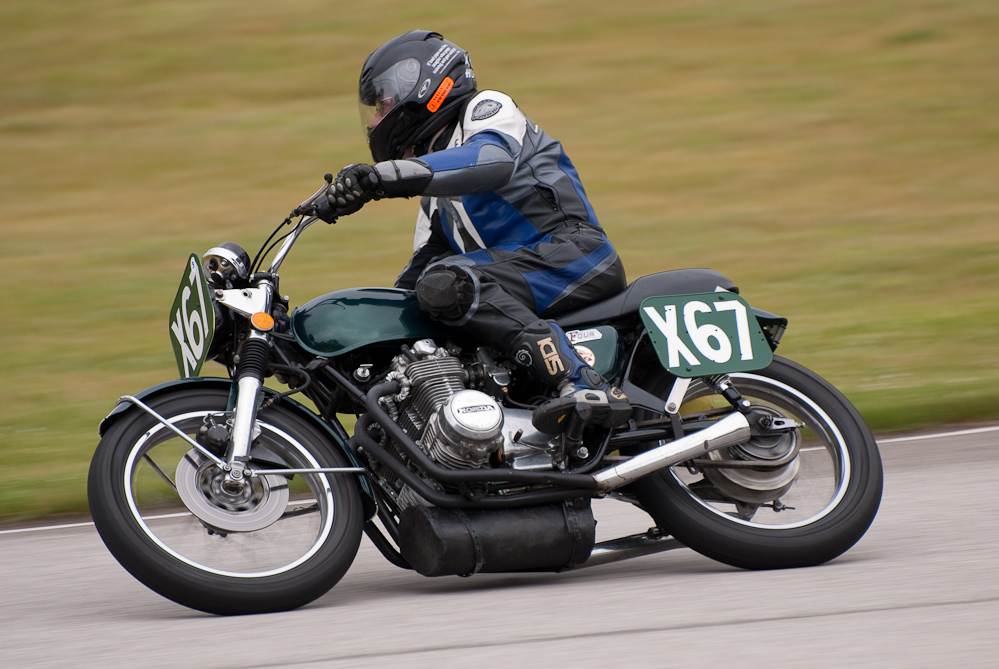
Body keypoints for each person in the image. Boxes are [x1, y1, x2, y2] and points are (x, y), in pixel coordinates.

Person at [314, 30, 631, 433]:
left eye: (383, 104)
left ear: (426, 85)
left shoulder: (487, 109)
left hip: (574, 252)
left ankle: (582, 383)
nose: (377, 119)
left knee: (450, 282)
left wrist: (381, 177)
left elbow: (491, 161)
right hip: (518, 276)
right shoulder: (437, 191)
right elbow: (414, 285)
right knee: (424, 302)